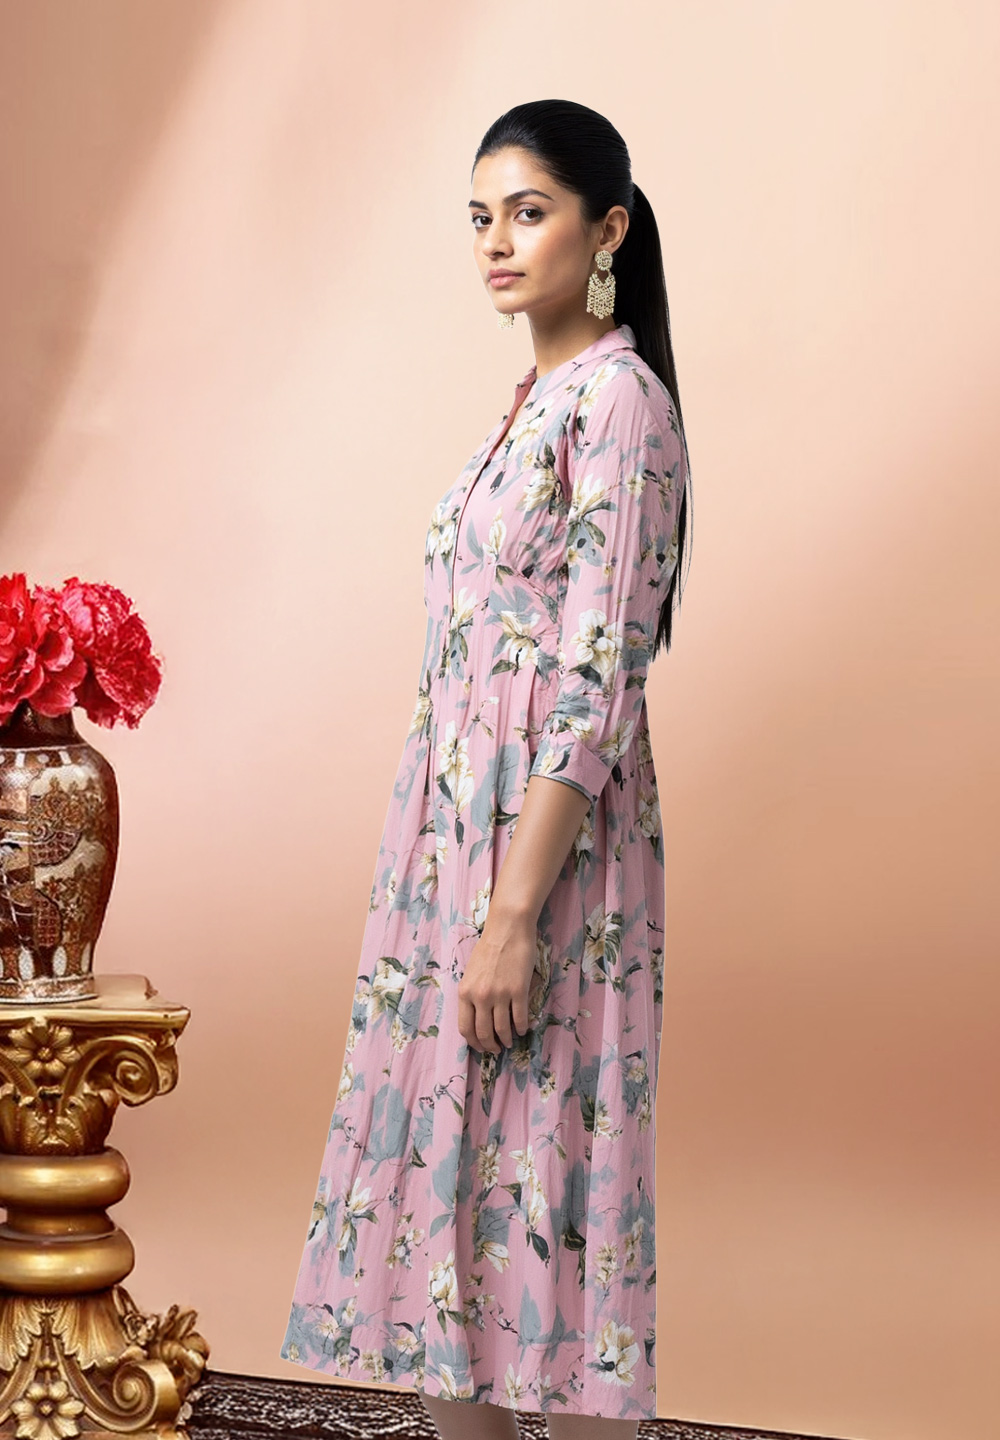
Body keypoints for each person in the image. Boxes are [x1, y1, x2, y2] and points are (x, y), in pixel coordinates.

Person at [280, 99, 692, 1440]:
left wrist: (515, 912)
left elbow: (597, 677)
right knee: (459, 1191)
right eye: (480, 217)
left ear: (607, 229)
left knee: (546, 1180)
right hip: (456, 847)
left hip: (544, 858)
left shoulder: (617, 402)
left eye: (529, 211)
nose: (498, 243)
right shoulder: (532, 404)